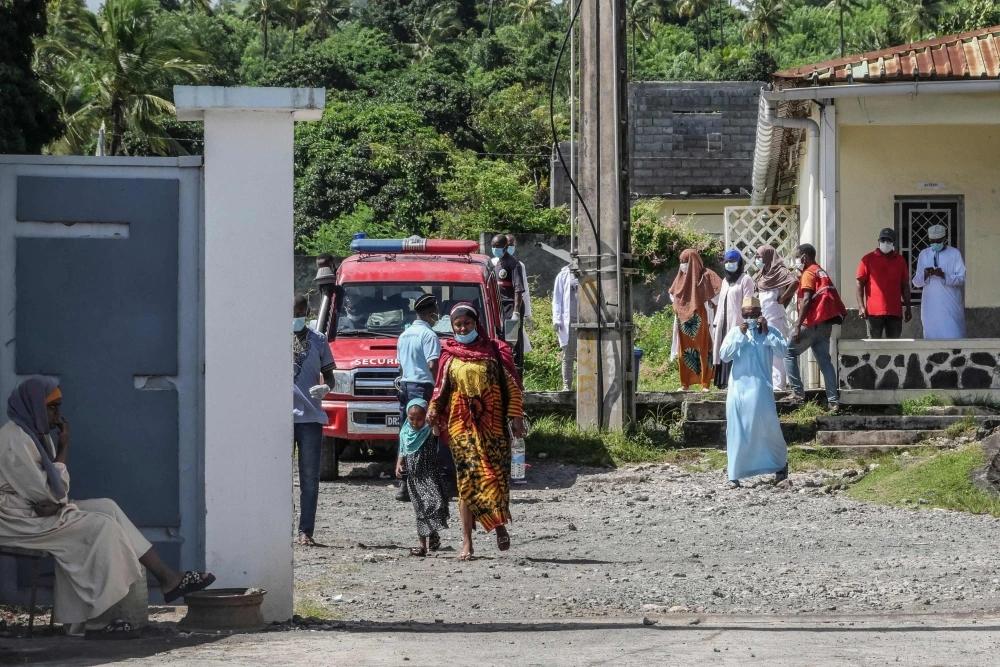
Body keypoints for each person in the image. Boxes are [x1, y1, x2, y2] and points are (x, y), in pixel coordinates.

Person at [0, 378, 215, 636]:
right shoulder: (15, 439)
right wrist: (64, 448)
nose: (58, 415)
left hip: (35, 511)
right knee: (101, 527)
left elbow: (51, 497)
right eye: (52, 407)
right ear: (34, 406)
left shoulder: (35, 433)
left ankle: (168, 578)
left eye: (59, 407)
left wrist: (54, 500)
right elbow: (51, 494)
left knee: (107, 507)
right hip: (17, 520)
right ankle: (103, 618)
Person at [428, 303, 525, 561]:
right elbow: (441, 389)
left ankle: (499, 526)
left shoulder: (495, 350)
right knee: (466, 485)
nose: (462, 328)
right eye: (458, 325)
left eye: (467, 324)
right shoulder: (449, 354)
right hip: (462, 429)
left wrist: (516, 418)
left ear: (476, 324)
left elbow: (513, 386)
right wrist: (433, 412)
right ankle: (467, 543)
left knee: (493, 480)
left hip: (493, 430)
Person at [720, 297, 789, 488]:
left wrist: (767, 332)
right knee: (737, 431)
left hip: (761, 391)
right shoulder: (735, 332)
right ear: (742, 315)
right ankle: (734, 474)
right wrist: (740, 336)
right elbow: (724, 356)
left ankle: (780, 466)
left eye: (753, 314)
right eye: (746, 314)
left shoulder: (769, 332)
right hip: (738, 392)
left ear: (760, 314)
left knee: (769, 429)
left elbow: (783, 351)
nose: (750, 318)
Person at [293, 294, 336, 546]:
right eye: (292, 311)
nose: (295, 317)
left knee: (309, 478)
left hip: (309, 417)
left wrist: (326, 388)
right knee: (277, 477)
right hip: (279, 418)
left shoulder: (318, 340)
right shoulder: (274, 336)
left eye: (300, 311)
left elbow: (329, 376)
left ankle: (305, 530)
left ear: (307, 311)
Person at [784, 244, 846, 412]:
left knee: (788, 352)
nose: (796, 260)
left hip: (811, 323)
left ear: (804, 257)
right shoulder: (820, 271)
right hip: (825, 325)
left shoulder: (808, 273)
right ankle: (833, 402)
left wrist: (797, 325)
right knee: (825, 362)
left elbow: (806, 299)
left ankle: (798, 394)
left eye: (797, 257)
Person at [394, 294, 443, 503]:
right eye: (436, 313)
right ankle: (420, 484)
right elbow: (433, 365)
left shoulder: (404, 335)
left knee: (406, 432)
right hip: (423, 388)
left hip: (405, 385)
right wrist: (438, 389)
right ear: (431, 313)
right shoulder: (429, 335)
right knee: (424, 435)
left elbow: (400, 365)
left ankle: (404, 483)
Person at [395, 399, 449, 557]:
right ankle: (422, 546)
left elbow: (437, 433)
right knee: (420, 510)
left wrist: (433, 423)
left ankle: (433, 533)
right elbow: (403, 449)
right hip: (414, 479)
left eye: (419, 418)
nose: (415, 422)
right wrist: (399, 464)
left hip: (430, 476)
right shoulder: (405, 431)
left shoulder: (429, 429)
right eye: (411, 418)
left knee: (436, 503)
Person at [669, 249, 721, 391]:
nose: (683, 265)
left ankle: (705, 383)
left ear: (693, 262)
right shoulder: (680, 278)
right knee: (684, 351)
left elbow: (718, 294)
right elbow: (673, 295)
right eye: (681, 262)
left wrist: (707, 299)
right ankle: (685, 383)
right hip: (683, 321)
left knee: (704, 349)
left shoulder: (706, 275)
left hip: (701, 318)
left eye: (686, 262)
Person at [752, 245, 797, 390]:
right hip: (763, 317)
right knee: (765, 351)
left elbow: (794, 282)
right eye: (756, 257)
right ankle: (768, 382)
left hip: (776, 317)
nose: (758, 260)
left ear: (768, 257)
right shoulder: (762, 274)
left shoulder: (780, 271)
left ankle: (779, 385)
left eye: (760, 257)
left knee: (777, 351)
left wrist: (783, 299)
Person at [856, 228, 912, 339]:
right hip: (873, 313)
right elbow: (859, 284)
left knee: (894, 348)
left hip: (895, 312)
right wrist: (861, 306)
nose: (885, 243)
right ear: (879, 241)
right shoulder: (867, 259)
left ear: (893, 243)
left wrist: (908, 308)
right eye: (883, 240)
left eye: (889, 240)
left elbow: (905, 286)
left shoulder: (900, 260)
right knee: (874, 347)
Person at [913, 224, 966, 339]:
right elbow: (916, 282)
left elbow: (961, 279)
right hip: (930, 305)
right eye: (933, 241)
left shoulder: (954, 254)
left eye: (938, 240)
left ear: (944, 239)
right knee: (931, 338)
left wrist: (944, 276)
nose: (935, 243)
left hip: (950, 304)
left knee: (953, 336)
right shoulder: (924, 254)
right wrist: (926, 275)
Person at [712, 249, 755, 389]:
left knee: (734, 349)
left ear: (739, 263)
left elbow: (749, 302)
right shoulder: (725, 281)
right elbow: (721, 303)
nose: (729, 264)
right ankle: (723, 381)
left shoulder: (745, 279)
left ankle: (734, 381)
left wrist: (747, 322)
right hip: (723, 323)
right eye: (727, 261)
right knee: (723, 348)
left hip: (737, 323)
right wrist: (716, 322)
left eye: (732, 261)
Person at [490, 234, 526, 375]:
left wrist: (516, 312)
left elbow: (518, 290)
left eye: (497, 247)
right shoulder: (496, 263)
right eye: (493, 246)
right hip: (500, 307)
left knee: (513, 343)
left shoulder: (513, 264)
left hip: (511, 307)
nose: (494, 249)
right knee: (501, 341)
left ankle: (517, 376)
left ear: (505, 247)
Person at [503, 234, 534, 356]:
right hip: (499, 307)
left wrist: (527, 315)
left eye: (512, 245)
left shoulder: (519, 265)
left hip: (514, 308)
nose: (510, 247)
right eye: (507, 244)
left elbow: (524, 290)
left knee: (515, 339)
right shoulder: (493, 263)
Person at [552, 265, 580, 391]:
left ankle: (586, 385)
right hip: (569, 321)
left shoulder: (590, 272)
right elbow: (557, 299)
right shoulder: (563, 275)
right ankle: (566, 386)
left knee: (588, 354)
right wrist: (557, 319)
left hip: (586, 320)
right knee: (568, 355)